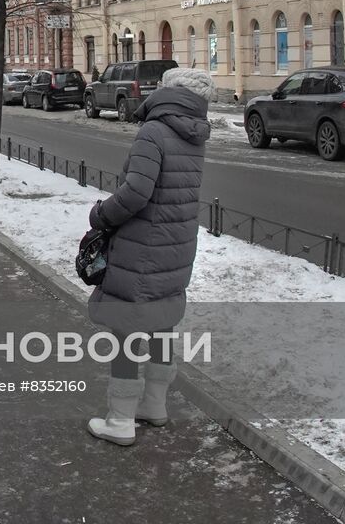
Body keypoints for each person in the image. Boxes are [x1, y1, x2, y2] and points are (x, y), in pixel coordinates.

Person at [84, 67, 215, 446]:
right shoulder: (194, 133)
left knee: (126, 332)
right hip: (176, 245)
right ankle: (154, 406)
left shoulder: (154, 131)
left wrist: (100, 215)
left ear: (168, 93)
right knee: (160, 324)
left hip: (143, 247)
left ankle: (120, 421)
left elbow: (136, 193)